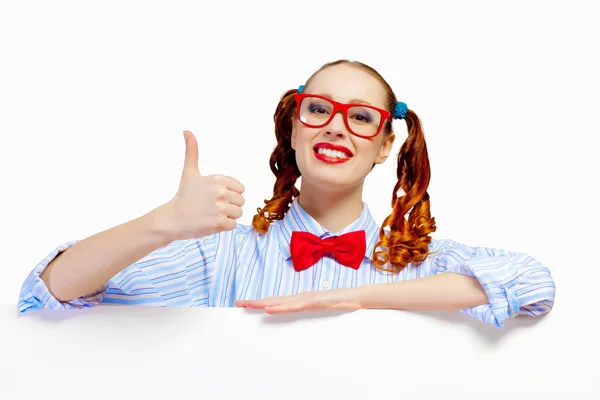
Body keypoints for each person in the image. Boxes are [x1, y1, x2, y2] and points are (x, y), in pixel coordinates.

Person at [18, 59, 555, 328]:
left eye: (361, 118)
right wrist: (164, 224)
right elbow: (49, 291)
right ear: (295, 128)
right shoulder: (222, 251)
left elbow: (535, 283)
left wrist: (359, 296)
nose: (336, 128)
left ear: (385, 145)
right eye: (319, 110)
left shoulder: (418, 261)